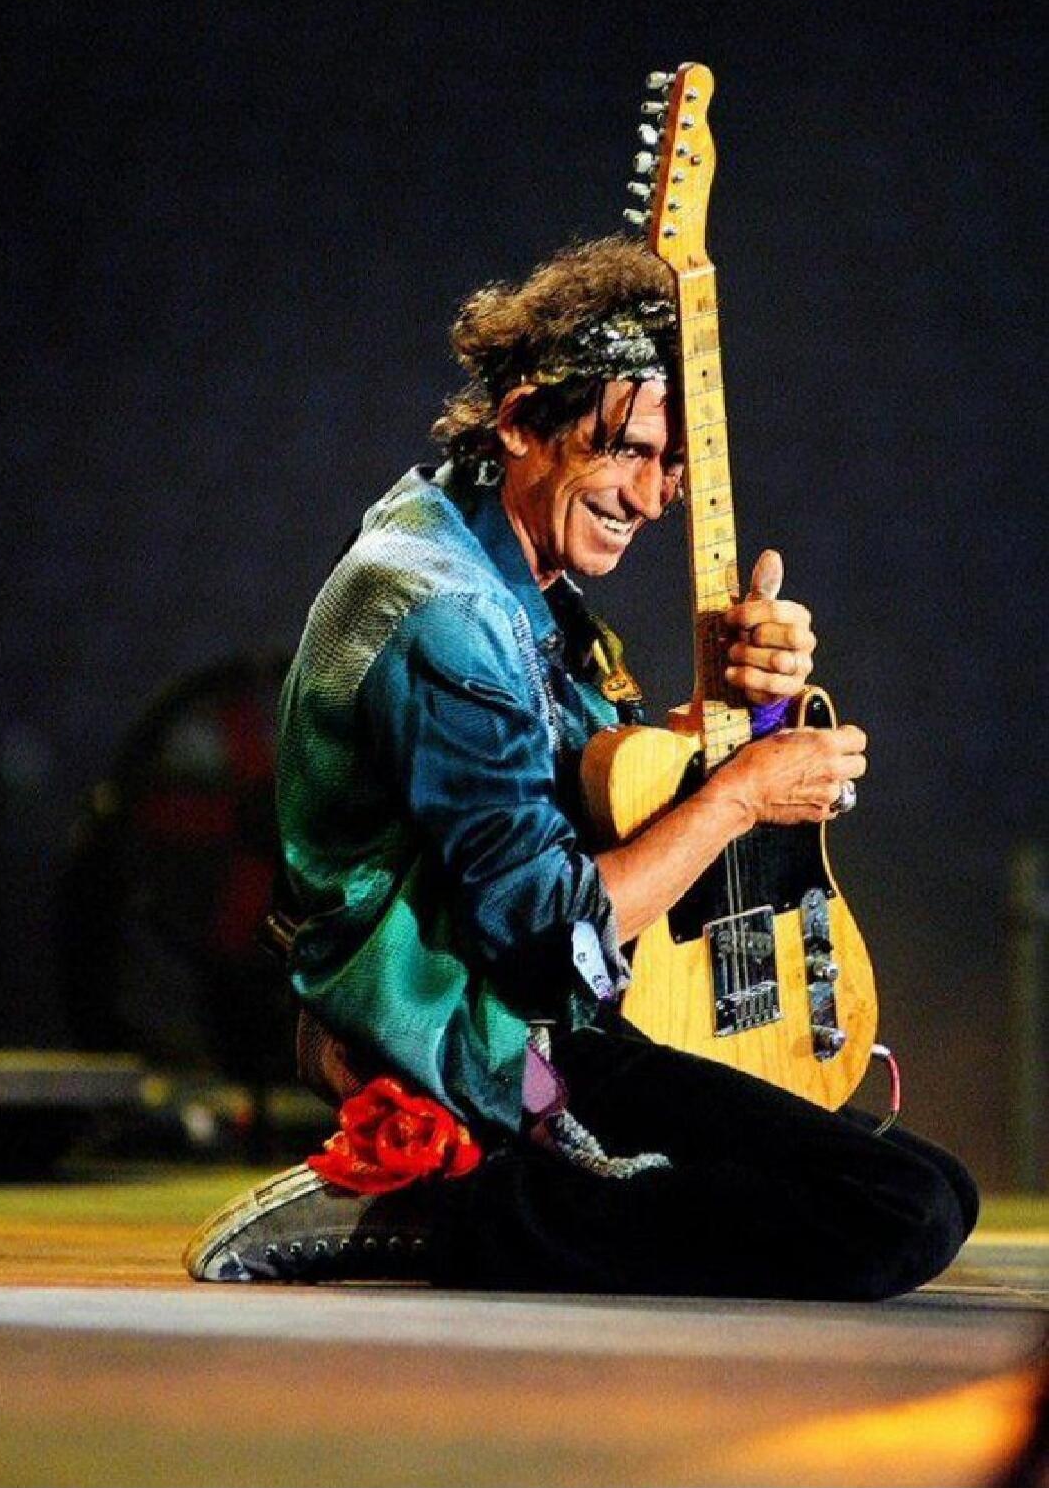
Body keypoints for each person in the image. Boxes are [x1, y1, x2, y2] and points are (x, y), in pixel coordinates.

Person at [184, 236, 977, 1295]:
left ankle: (493, 1199)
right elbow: (554, 937)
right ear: (520, 420)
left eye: (669, 465)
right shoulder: (448, 612)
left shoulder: (500, 557)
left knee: (929, 1187)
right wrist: (742, 794)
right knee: (896, 1207)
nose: (653, 499)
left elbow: (594, 798)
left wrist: (750, 707)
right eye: (627, 452)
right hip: (488, 1031)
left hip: (559, 1008)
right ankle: (432, 1209)